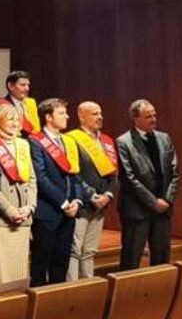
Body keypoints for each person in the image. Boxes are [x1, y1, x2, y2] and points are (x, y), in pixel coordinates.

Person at [28, 98, 84, 286]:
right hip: (47, 212)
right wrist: (63, 202)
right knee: (41, 265)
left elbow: (76, 174)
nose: (67, 116)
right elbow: (41, 177)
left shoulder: (68, 141)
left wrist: (77, 200)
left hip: (69, 212)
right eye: (61, 113)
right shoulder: (35, 142)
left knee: (61, 264)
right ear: (49, 117)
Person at [117, 99, 178, 270]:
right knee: (131, 258)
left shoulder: (164, 138)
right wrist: (153, 202)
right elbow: (129, 179)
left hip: (163, 210)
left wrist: (167, 199)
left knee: (162, 259)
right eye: (148, 116)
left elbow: (175, 172)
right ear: (135, 119)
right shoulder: (124, 142)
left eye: (154, 115)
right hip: (137, 210)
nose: (153, 119)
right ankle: (126, 297)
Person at [66, 101, 118, 280]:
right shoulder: (72, 139)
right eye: (94, 114)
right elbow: (74, 173)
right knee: (75, 249)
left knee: (89, 251)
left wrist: (108, 195)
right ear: (81, 116)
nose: (100, 117)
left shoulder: (107, 141)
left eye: (100, 113)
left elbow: (114, 174)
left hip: (101, 204)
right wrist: (91, 195)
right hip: (82, 203)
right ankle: (72, 289)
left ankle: (88, 287)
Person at [0, 104, 36, 285]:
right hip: (1, 219)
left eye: (17, 119)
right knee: (1, 275)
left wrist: (29, 207)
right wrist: (8, 210)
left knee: (19, 275)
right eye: (10, 119)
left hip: (23, 218)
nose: (15, 123)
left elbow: (31, 179)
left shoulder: (23, 145)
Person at [0, 71, 39, 136]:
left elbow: (36, 127)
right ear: (10, 86)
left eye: (28, 85)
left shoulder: (31, 103)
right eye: (23, 85)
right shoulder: (0, 105)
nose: (27, 88)